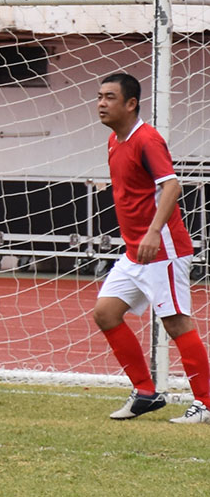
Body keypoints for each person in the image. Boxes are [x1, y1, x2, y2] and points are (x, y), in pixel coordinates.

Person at [94, 72, 210, 423]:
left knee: (176, 323)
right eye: (99, 97)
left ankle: (206, 402)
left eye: (110, 97)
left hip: (164, 251)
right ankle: (145, 392)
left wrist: (154, 231)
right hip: (135, 254)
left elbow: (172, 187)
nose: (101, 103)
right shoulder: (115, 140)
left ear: (131, 104)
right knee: (105, 313)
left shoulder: (147, 140)